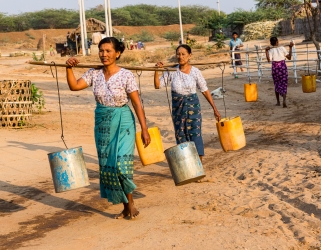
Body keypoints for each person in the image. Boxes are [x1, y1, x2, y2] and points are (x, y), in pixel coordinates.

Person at [65, 37, 151, 219]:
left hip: (124, 121)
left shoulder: (126, 75)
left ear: (117, 53)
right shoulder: (93, 74)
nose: (104, 54)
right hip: (103, 123)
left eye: (108, 51)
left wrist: (144, 129)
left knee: (121, 164)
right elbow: (74, 86)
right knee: (109, 165)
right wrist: (69, 68)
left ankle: (131, 203)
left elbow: (136, 103)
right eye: (101, 51)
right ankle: (126, 205)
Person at [154, 45, 221, 161]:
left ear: (190, 56)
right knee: (180, 134)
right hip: (178, 108)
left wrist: (214, 109)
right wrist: (156, 70)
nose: (180, 57)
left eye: (183, 54)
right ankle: (187, 165)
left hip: (193, 107)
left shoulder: (195, 72)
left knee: (195, 133)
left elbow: (204, 90)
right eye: (178, 54)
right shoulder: (172, 71)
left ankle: (199, 166)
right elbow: (157, 85)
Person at [265, 37, 293, 108]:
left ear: (271, 43)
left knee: (277, 84)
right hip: (282, 67)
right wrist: (290, 48)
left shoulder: (271, 51)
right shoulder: (282, 48)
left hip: (275, 68)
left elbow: (269, 60)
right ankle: (284, 99)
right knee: (284, 83)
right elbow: (289, 57)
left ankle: (278, 102)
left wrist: (266, 51)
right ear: (277, 42)